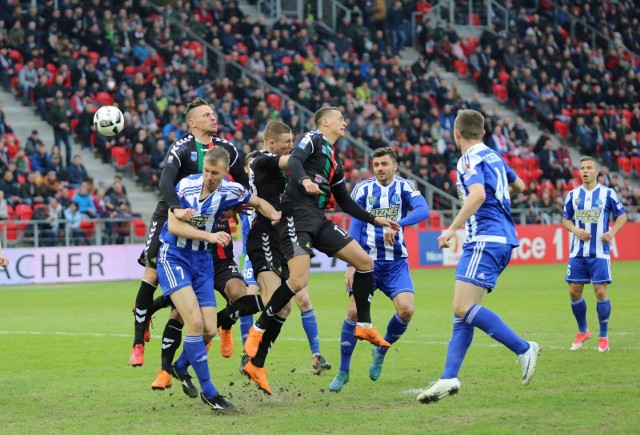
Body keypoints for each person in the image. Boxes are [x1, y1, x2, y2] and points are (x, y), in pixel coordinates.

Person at [243, 107, 400, 393]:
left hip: (318, 219)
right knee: (299, 281)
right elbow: (296, 162)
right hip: (295, 215)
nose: (345, 122)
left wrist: (374, 218)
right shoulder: (313, 138)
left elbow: (345, 201)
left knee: (365, 262)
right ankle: (257, 329)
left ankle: (363, 323)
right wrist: (303, 180)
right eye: (341, 118)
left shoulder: (333, 161)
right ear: (325, 122)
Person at [417, 109, 540, 405]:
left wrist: (450, 230)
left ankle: (523, 348)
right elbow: (521, 185)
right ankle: (449, 377)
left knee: (461, 307)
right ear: (483, 133)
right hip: (502, 238)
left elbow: (477, 195)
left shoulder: (468, 159)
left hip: (484, 237)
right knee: (464, 311)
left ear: (456, 133)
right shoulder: (494, 156)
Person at [156, 146, 280, 412]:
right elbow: (175, 226)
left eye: (215, 173)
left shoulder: (231, 191)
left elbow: (257, 202)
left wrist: (275, 215)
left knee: (210, 329)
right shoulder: (186, 186)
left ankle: (179, 367)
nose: (209, 176)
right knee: (195, 323)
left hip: (202, 263)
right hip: (174, 256)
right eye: (206, 171)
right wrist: (210, 237)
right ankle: (210, 392)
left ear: (225, 173)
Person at [329, 147, 430, 392]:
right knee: (353, 312)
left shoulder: (405, 187)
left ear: (395, 166)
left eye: (385, 164)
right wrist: (351, 263)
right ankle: (343, 371)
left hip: (395, 264)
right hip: (366, 264)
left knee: (407, 310)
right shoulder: (363, 189)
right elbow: (354, 226)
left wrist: (398, 225)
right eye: (376, 164)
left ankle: (381, 349)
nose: (380, 169)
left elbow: (424, 210)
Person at [241, 122, 332, 394]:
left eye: (293, 140)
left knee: (286, 306)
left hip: (283, 237)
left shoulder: (283, 168)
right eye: (287, 141)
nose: (292, 145)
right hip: (264, 235)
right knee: (271, 296)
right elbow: (293, 161)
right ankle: (243, 336)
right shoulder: (260, 161)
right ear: (271, 144)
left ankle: (256, 362)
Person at [562, 156, 627, 353]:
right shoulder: (573, 195)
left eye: (589, 167)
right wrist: (575, 230)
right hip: (578, 252)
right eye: (582, 167)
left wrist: (612, 232)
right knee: (574, 292)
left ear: (596, 171)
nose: (585, 170)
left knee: (600, 291)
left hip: (600, 252)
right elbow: (566, 220)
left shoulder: (608, 194)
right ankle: (583, 331)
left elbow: (622, 216)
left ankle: (604, 336)